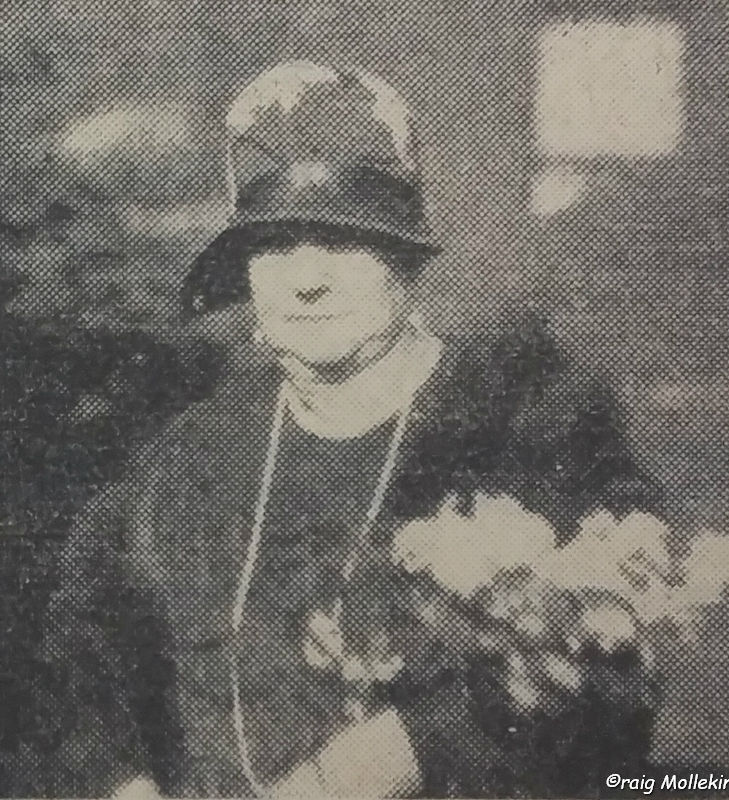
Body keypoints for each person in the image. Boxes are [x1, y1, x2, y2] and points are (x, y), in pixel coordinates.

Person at [41, 61, 662, 798]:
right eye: (275, 247)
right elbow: (79, 650)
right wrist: (123, 783)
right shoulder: (196, 452)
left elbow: (611, 678)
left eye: (341, 242)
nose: (307, 280)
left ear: (404, 262)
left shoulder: (526, 427)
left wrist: (398, 754)